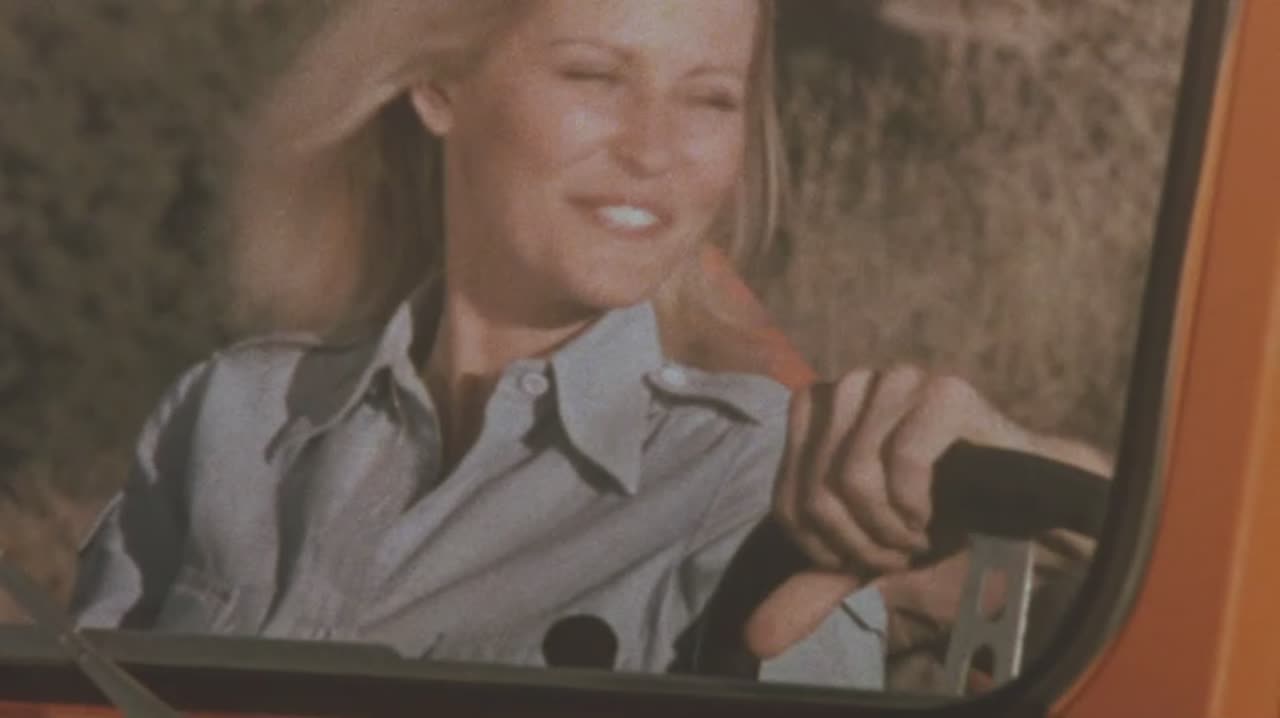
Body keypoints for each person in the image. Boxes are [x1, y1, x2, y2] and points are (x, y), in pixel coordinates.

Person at [69, 0, 1106, 692]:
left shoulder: (765, 475)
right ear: (438, 87)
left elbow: (1117, 598)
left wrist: (1030, 478)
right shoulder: (230, 416)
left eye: (709, 97)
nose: (655, 149)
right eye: (595, 76)